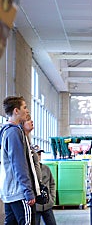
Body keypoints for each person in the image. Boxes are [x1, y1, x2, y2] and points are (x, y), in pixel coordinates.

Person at [0, 96, 36, 224]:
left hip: (9, 191)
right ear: (16, 111)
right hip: (19, 192)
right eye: (24, 107)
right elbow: (19, 164)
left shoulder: (6, 131)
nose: (27, 111)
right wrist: (28, 191)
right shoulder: (14, 132)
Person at [34, 148, 57, 225]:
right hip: (35, 206)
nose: (39, 156)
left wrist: (52, 197)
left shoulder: (46, 168)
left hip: (47, 205)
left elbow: (52, 183)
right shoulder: (28, 170)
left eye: (40, 154)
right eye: (37, 154)